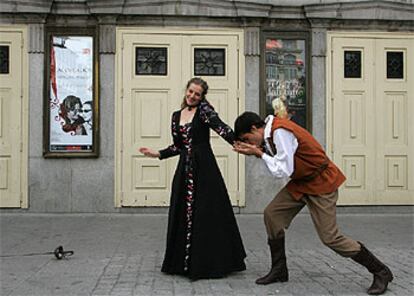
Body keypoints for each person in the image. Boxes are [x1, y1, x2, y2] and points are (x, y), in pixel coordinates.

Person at [233, 101, 393, 295]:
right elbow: (282, 161)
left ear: (254, 128)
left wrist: (259, 153)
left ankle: (380, 270)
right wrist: (258, 152)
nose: (250, 143)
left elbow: (283, 170)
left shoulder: (280, 131)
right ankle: (279, 270)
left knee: (330, 238)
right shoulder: (269, 133)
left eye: (247, 138)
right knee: (272, 215)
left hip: (321, 183)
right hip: (301, 182)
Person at [139, 77, 246, 280]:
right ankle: (182, 263)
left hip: (204, 168)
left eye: (197, 94)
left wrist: (243, 144)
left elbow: (223, 129)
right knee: (183, 213)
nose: (192, 96)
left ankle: (210, 262)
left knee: (207, 212)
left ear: (202, 96)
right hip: (185, 170)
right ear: (186, 90)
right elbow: (178, 146)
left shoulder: (204, 112)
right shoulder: (176, 116)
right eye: (190, 92)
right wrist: (158, 154)